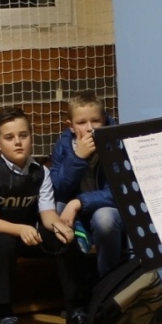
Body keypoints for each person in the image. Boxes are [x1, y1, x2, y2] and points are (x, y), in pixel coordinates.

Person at [0, 106, 90, 324]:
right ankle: (5, 317)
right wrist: (21, 229)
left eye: (23, 135)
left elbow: (47, 215)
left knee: (64, 238)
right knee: (4, 244)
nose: (18, 142)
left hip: (29, 235)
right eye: (9, 137)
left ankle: (75, 309)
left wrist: (60, 226)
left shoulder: (40, 172)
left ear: (31, 137)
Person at [50, 92, 124, 289]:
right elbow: (58, 188)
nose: (90, 128)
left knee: (104, 218)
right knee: (56, 209)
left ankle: (108, 286)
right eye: (82, 122)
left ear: (105, 120)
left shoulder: (116, 143)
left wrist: (79, 203)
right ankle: (76, 292)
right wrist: (77, 158)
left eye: (95, 121)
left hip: (108, 210)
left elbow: (118, 192)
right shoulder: (63, 146)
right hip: (76, 213)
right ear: (71, 126)